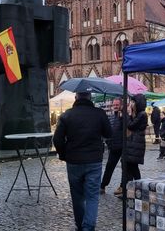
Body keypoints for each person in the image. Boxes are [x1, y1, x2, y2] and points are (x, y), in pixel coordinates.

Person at [53, 92, 112, 231]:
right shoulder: (99, 113)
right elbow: (109, 134)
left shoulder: (67, 115)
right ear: (90, 98)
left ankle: (80, 226)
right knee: (92, 196)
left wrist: (63, 154)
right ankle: (88, 227)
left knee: (77, 197)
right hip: (94, 160)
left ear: (76, 98)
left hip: (74, 161)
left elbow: (57, 140)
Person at [120, 94, 148, 197]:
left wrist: (128, 114)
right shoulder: (139, 114)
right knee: (131, 168)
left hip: (135, 145)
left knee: (133, 169)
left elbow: (131, 125)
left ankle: (137, 190)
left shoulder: (142, 114)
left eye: (133, 102)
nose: (131, 104)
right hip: (133, 145)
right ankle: (130, 190)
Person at [100, 98, 123, 195]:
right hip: (113, 147)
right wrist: (108, 142)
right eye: (114, 105)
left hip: (123, 146)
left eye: (117, 104)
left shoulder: (124, 117)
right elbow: (108, 132)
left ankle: (122, 186)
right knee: (109, 166)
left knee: (125, 167)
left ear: (121, 105)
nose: (115, 106)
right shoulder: (110, 117)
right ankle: (103, 186)